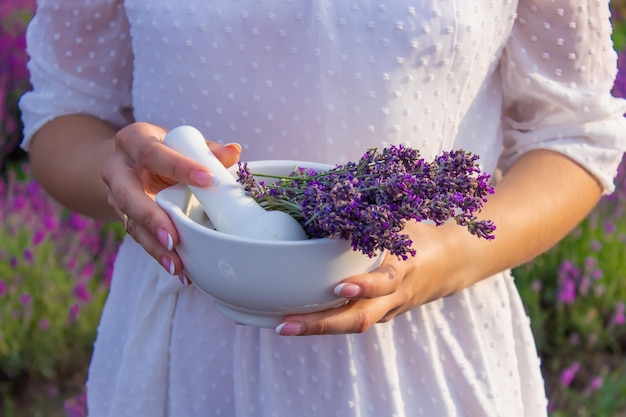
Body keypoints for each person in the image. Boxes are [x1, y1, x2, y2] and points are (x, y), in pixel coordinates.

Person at [19, 1, 626, 416]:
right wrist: (121, 171)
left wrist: (442, 258)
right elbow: (63, 116)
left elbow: (573, 133)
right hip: (187, 355)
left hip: (428, 358)